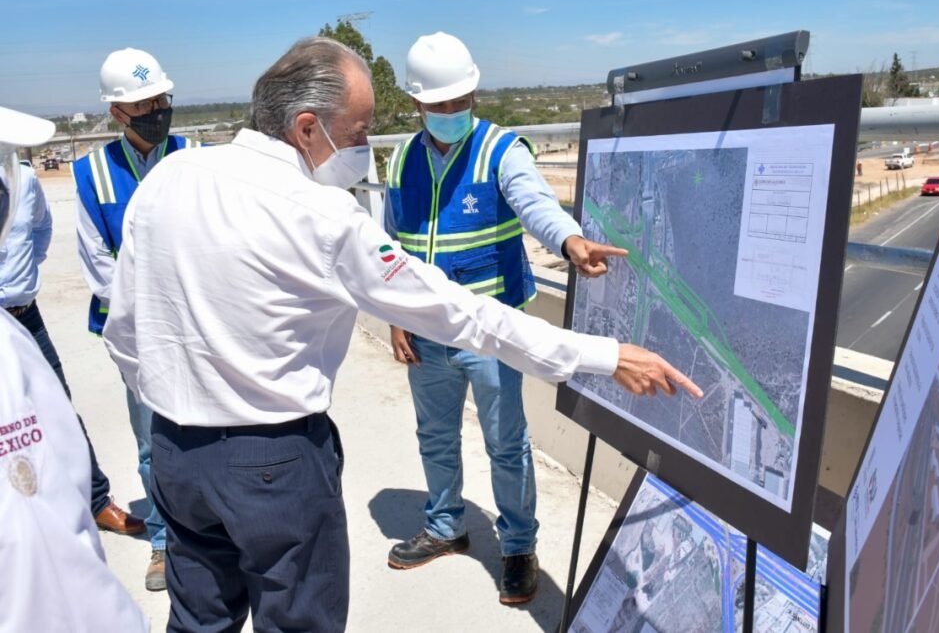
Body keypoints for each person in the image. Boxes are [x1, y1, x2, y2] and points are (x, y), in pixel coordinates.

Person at [101, 36, 701, 632]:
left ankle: (516, 543)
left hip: (177, 456)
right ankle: (446, 524)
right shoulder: (321, 215)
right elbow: (461, 313)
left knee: (198, 622)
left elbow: (125, 330)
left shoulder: (170, 177)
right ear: (307, 128)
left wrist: (178, 407)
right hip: (274, 467)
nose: (363, 147)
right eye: (359, 131)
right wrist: (603, 354)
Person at [383, 31, 625, 604]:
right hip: (426, 331)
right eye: (438, 105)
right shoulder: (399, 159)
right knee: (434, 435)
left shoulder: (500, 149)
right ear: (416, 103)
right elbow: (393, 245)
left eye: (459, 100)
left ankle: (518, 546)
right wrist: (396, 316)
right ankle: (446, 526)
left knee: (506, 442)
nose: (450, 113)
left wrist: (569, 239)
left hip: (491, 332)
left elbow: (535, 202)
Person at [0, 105, 148, 632]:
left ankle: (95, 499)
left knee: (54, 411)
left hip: (23, 313)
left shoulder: (23, 180)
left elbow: (39, 231)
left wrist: (22, 282)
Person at [73, 47, 201, 591]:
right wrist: (146, 314)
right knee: (154, 440)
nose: (155, 109)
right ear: (116, 114)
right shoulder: (91, 172)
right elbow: (97, 260)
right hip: (133, 334)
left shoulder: (194, 156)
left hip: (198, 324)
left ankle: (211, 530)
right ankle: (164, 540)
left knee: (212, 427)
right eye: (142, 103)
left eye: (160, 99)